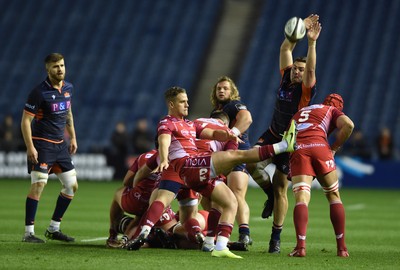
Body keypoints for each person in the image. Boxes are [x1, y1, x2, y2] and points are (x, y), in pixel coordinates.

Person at [125, 86, 297, 259]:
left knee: (229, 202)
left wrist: (227, 135)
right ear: (171, 104)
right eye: (182, 101)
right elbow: (164, 141)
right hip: (187, 165)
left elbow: (212, 133)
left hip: (189, 170)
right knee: (237, 156)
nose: (187, 104)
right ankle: (282, 146)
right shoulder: (167, 122)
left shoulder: (191, 124)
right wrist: (163, 158)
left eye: (187, 101)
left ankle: (216, 246)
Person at [246, 14, 321, 254]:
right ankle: (269, 195)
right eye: (295, 69)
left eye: (301, 69)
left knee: (281, 188)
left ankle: (275, 239)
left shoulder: (305, 90)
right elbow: (285, 47)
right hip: (272, 133)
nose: (298, 72)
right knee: (250, 163)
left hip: (290, 144)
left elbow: (311, 68)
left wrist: (311, 42)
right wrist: (295, 32)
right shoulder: (285, 78)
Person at [20, 53, 78, 243]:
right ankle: (28, 233)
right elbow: (25, 121)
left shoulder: (68, 88)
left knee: (72, 186)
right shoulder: (39, 92)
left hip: (60, 146)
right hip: (42, 145)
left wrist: (73, 137)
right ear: (48, 69)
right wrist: (30, 147)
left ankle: (53, 229)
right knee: (38, 185)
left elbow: (68, 112)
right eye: (55, 67)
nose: (60, 69)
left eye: (62, 65)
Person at [288, 93, 353, 257]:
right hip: (320, 147)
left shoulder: (301, 112)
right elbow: (349, 125)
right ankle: (342, 249)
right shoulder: (332, 110)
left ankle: (300, 247)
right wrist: (335, 147)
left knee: (302, 198)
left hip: (299, 149)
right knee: (333, 196)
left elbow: (289, 136)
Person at [210, 76, 253, 246]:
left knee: (236, 193)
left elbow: (247, 118)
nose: (221, 91)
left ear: (232, 92)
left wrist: (233, 133)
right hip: (222, 155)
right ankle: (215, 233)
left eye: (225, 88)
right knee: (216, 195)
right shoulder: (217, 110)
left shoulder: (234, 105)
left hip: (238, 153)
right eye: (219, 88)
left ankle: (244, 234)